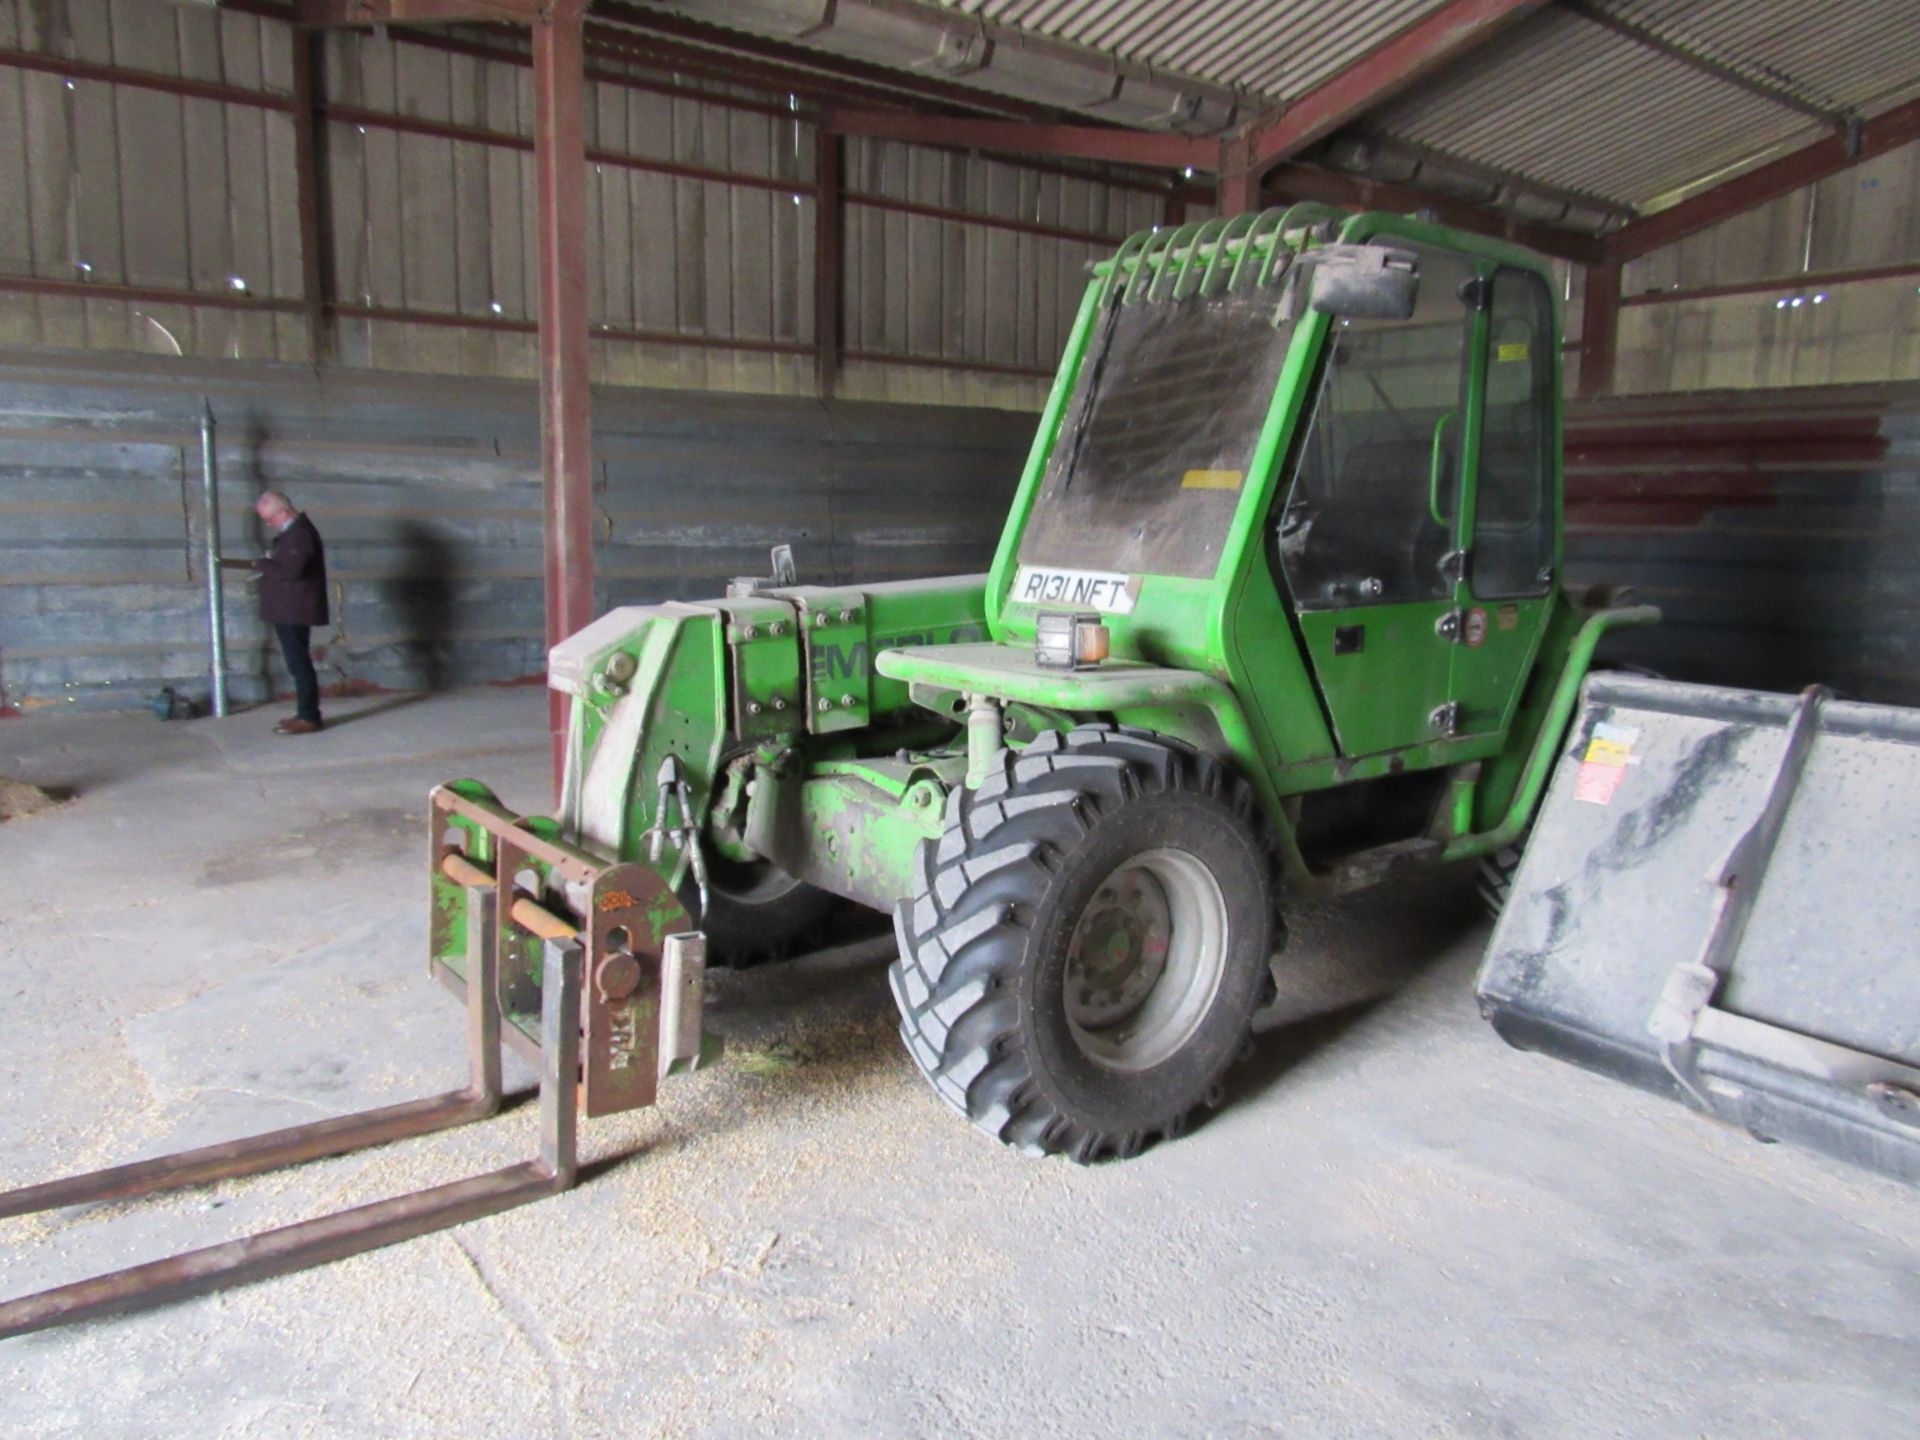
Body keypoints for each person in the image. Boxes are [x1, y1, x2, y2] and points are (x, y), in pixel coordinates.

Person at [249, 491, 329, 734]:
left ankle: (308, 717)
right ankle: (305, 714)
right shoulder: (294, 533)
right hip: (290, 609)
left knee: (299, 664)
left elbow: (292, 571)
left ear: (283, 512)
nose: (268, 524)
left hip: (294, 610)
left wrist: (263, 564)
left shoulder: (299, 534)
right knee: (297, 663)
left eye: (270, 518)